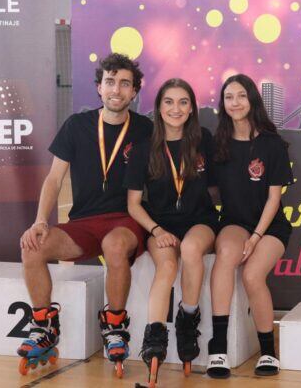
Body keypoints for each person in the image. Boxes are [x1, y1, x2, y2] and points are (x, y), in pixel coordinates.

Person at [17, 53, 153, 377]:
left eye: (124, 83)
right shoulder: (77, 125)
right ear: (98, 87)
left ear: (135, 91)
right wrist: (39, 221)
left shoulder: (146, 129)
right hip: (83, 223)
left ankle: (116, 325)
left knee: (116, 246)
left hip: (126, 219)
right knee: (32, 246)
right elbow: (54, 178)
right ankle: (44, 325)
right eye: (110, 82)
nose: (116, 90)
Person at [124, 78, 219, 384]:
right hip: (159, 223)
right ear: (159, 107)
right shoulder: (143, 148)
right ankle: (154, 336)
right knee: (165, 265)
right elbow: (133, 204)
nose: (175, 109)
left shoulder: (203, 139)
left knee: (190, 250)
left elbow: (221, 186)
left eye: (182, 102)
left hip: (200, 220)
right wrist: (156, 230)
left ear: (192, 108)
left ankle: (187, 319)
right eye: (169, 102)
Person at [206, 74, 293, 379]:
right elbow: (212, 190)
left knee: (253, 274)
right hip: (233, 221)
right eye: (229, 97)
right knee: (226, 256)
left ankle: (268, 350)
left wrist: (256, 238)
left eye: (241, 96)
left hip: (269, 227)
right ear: (223, 104)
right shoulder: (217, 144)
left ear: (252, 99)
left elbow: (274, 198)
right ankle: (217, 348)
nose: (235, 103)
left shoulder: (272, 144)